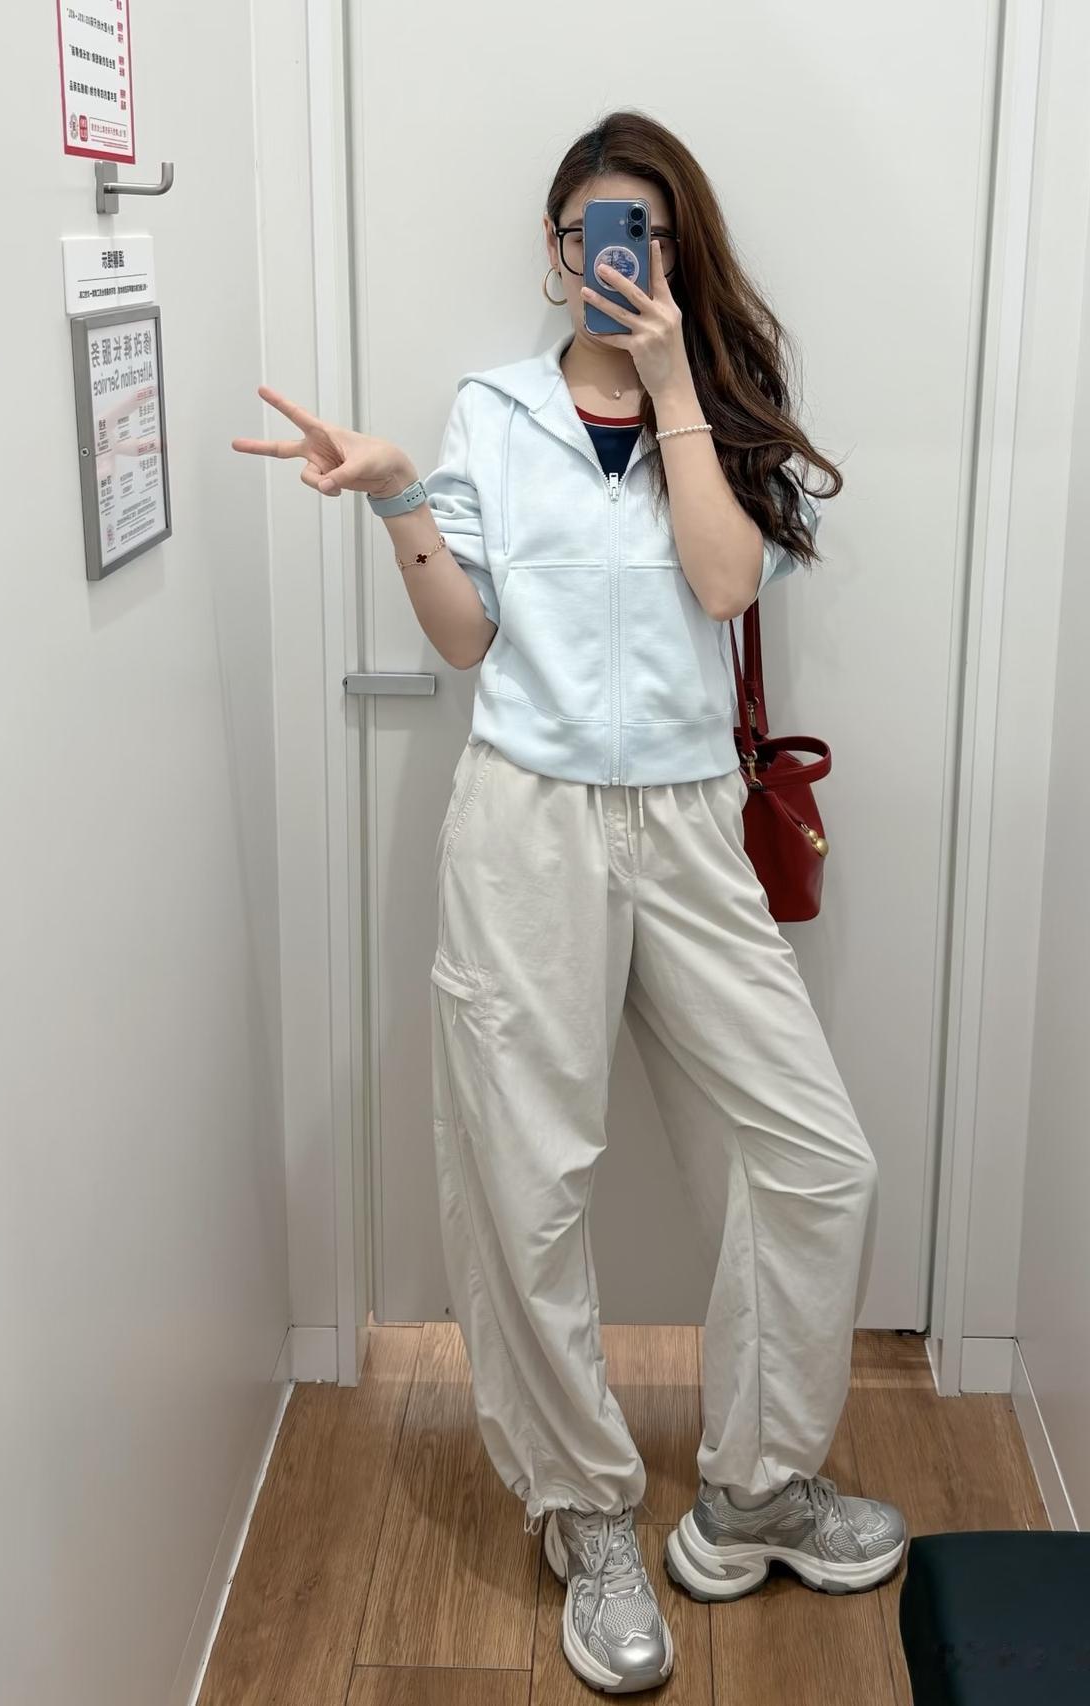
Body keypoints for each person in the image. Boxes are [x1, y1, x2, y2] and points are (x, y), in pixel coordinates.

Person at [233, 108, 905, 1700]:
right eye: (597, 232)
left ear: (679, 253)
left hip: (690, 822)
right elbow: (468, 640)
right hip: (525, 822)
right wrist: (399, 497)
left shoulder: (730, 411)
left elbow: (725, 586)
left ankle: (752, 1490)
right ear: (554, 253)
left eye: (648, 234)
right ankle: (587, 1510)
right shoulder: (493, 411)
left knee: (817, 1158)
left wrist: (674, 387)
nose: (620, 258)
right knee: (527, 1182)